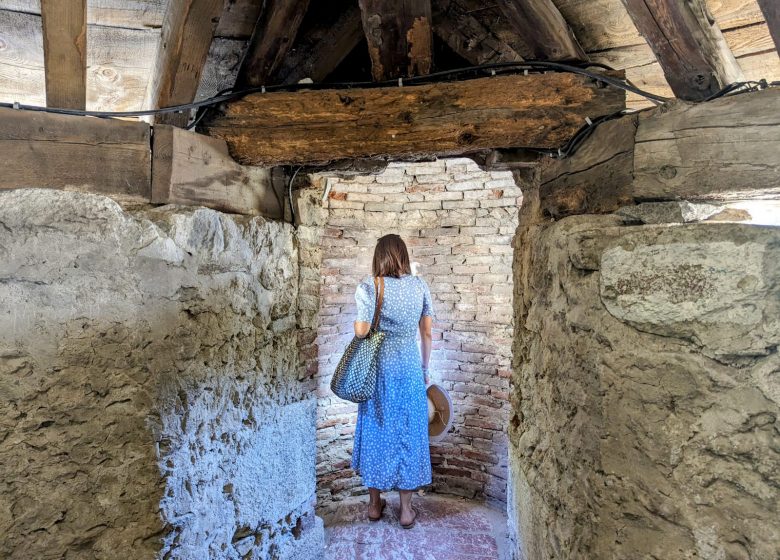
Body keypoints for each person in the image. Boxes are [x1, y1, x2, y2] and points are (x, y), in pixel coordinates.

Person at [351, 234, 434, 529]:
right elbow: (426, 334)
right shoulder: (419, 286)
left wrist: (365, 321)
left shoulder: (370, 287)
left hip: (379, 369)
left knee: (376, 428)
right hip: (409, 368)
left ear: (379, 257)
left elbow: (361, 332)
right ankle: (407, 510)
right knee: (408, 432)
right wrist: (425, 369)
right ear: (403, 255)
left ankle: (374, 505)